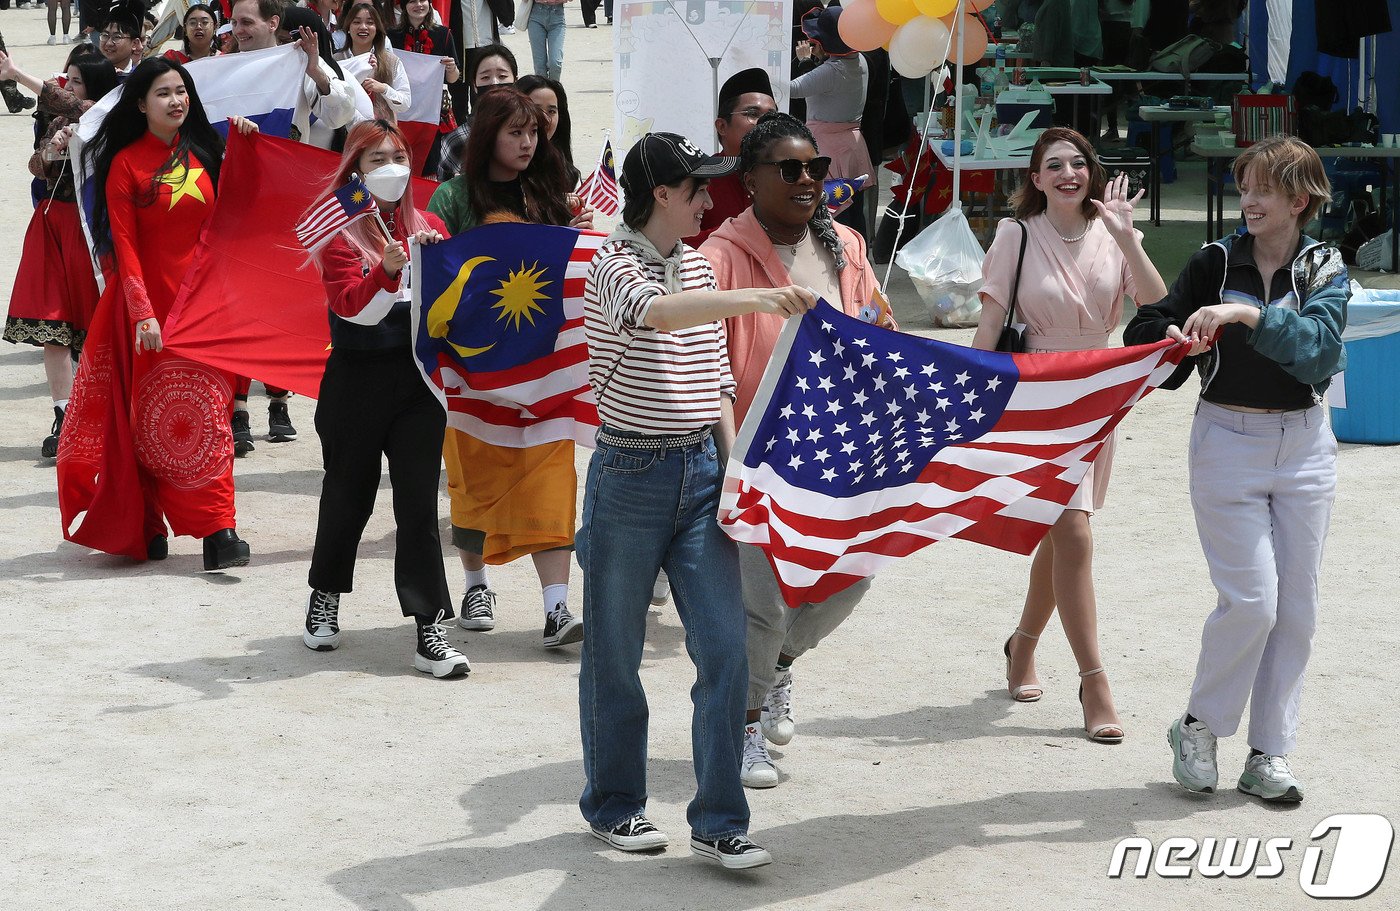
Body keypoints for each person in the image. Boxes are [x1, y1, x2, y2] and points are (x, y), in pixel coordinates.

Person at [578, 130, 815, 869]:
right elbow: (659, 314)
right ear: (661, 195)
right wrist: (764, 295)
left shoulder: (693, 262)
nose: (712, 199)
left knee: (725, 648)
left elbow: (715, 379)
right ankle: (614, 806)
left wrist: (733, 464)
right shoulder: (614, 265)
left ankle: (718, 819)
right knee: (614, 652)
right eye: (697, 189)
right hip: (629, 477)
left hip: (702, 475)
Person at [1124, 135, 1347, 803]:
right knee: (1253, 600)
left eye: (1263, 189)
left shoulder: (1325, 266)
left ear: (1299, 200)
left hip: (1306, 446)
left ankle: (1268, 754)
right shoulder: (1214, 259)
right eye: (1244, 186)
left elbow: (1316, 355)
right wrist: (1168, 341)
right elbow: (1147, 331)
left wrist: (1245, 313)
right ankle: (1199, 725)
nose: (1247, 200)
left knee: (1297, 611)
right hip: (1225, 438)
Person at [700, 111, 895, 788]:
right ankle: (744, 727)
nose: (808, 179)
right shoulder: (718, 258)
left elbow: (879, 327)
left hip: (836, 454)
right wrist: (731, 458)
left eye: (815, 166)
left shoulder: (846, 245)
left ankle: (778, 665)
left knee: (853, 575)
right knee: (759, 603)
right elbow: (708, 364)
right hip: (754, 455)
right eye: (790, 169)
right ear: (750, 179)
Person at [969, 127, 1166, 744]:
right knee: (1072, 530)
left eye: (1078, 163)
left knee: (1063, 533)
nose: (1067, 173)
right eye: (1052, 164)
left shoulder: (1113, 231)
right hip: (1037, 392)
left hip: (1098, 391)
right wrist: (968, 401)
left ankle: (1022, 644)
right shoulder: (1015, 235)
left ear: (1093, 172)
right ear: (1034, 178)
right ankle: (1095, 679)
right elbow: (992, 322)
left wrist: (1127, 237)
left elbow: (1157, 302)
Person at [61, 57, 256, 570]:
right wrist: (143, 313)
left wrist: (248, 145)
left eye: (181, 90)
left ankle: (220, 531)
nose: (176, 101)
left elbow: (244, 209)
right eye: (163, 93)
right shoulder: (124, 165)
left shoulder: (208, 151)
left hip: (206, 312)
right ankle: (146, 524)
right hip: (147, 315)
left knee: (209, 416)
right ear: (141, 104)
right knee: (148, 418)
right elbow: (123, 248)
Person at [303, 119, 472, 678]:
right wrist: (387, 270)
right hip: (356, 377)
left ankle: (430, 630)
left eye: (398, 156)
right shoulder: (340, 231)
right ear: (355, 170)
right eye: (376, 160)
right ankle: (325, 597)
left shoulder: (429, 224)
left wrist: (433, 267)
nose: (392, 168)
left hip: (418, 382)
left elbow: (455, 308)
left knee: (418, 507)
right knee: (347, 496)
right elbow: (352, 308)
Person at [426, 88, 592, 647]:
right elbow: (435, 277)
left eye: (533, 133)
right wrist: (426, 240)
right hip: (474, 376)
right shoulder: (451, 199)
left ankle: (557, 608)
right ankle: (475, 584)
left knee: (551, 481)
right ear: (486, 135)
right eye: (514, 132)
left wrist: (580, 232)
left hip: (546, 370)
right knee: (476, 483)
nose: (527, 142)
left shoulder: (548, 195)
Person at [228, 0, 358, 451]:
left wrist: (317, 67)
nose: (238, 29)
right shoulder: (223, 71)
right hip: (244, 201)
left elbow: (342, 115)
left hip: (293, 200)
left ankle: (279, 399)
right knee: (244, 301)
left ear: (273, 23)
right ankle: (239, 404)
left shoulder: (300, 68)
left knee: (282, 300)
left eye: (247, 22)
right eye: (235, 22)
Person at [1, 48, 117, 459]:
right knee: (54, 323)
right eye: (67, 78)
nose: (68, 87)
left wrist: (15, 72)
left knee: (92, 325)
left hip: (90, 230)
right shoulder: (60, 119)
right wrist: (52, 149)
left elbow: (76, 105)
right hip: (53, 222)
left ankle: (96, 413)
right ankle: (63, 413)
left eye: (78, 80)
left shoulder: (109, 114)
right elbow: (35, 166)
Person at [791, 7, 871, 237]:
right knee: (855, 216)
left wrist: (805, 62)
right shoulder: (861, 61)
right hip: (852, 146)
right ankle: (860, 263)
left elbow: (791, 89)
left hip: (830, 150)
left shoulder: (831, 71)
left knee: (834, 218)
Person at [684, 67, 777, 247]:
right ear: (722, 126)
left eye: (771, 116)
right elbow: (675, 244)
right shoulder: (698, 179)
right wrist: (739, 232)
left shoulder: (788, 175)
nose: (765, 124)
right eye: (752, 114)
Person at [388, 0, 461, 176]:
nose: (419, 5)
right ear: (403, 5)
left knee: (431, 166)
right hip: (401, 113)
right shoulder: (391, 35)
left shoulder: (443, 34)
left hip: (432, 114)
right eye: (412, 1)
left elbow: (454, 78)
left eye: (423, 0)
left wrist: (451, 69)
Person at [435, 42, 515, 181]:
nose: (494, 83)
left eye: (502, 76)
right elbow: (443, 192)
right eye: (485, 77)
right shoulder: (456, 141)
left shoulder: (530, 133)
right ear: (475, 86)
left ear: (515, 80)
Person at [337, 2, 410, 115]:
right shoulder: (336, 60)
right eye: (356, 22)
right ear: (348, 28)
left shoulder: (391, 62)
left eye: (370, 23)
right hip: (344, 131)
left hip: (381, 130)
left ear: (377, 29)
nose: (363, 27)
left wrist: (384, 89)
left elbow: (405, 103)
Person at [515, 73, 575, 184]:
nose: (545, 119)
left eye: (551, 111)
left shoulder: (564, 168)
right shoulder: (506, 168)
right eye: (536, 110)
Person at [521, 0, 564, 82]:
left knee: (555, 63)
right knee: (539, 66)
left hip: (557, 16)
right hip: (536, 16)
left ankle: (554, 90)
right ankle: (542, 91)